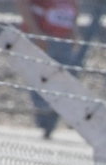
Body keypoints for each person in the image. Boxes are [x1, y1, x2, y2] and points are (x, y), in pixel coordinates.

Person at [15, 0, 82, 137]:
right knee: (40, 77)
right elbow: (23, 4)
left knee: (63, 80)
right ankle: (44, 118)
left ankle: (54, 118)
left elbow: (74, 7)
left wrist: (74, 30)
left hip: (64, 38)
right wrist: (36, 32)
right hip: (43, 37)